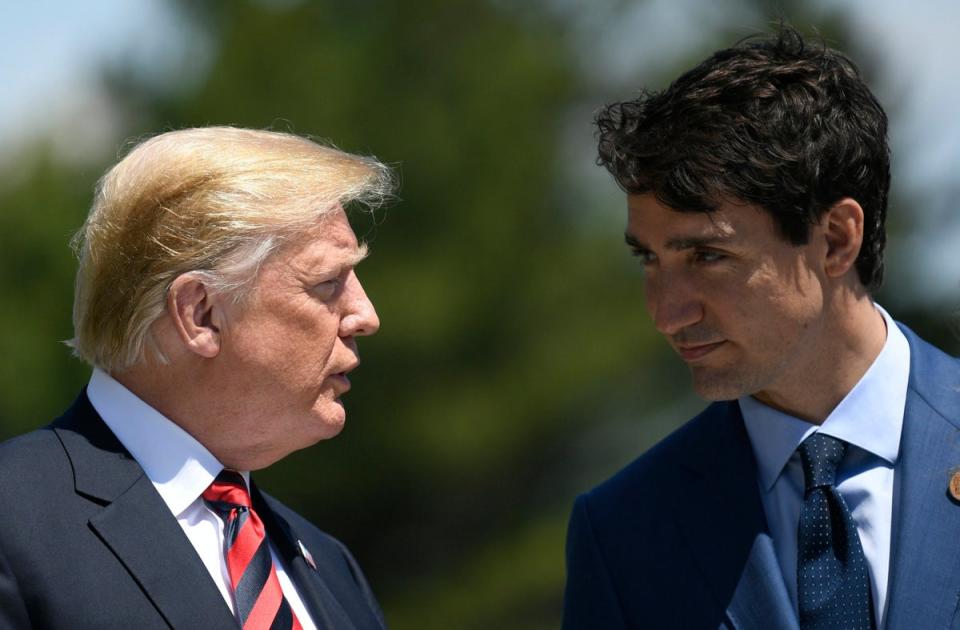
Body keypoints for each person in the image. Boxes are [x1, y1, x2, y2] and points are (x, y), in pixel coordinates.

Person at [562, 27, 960, 630]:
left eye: (707, 257)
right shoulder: (623, 532)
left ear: (836, 239)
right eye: (648, 259)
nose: (667, 313)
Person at [0, 127, 393, 629]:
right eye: (327, 282)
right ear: (201, 314)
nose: (365, 315)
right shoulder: (16, 522)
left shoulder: (331, 565)